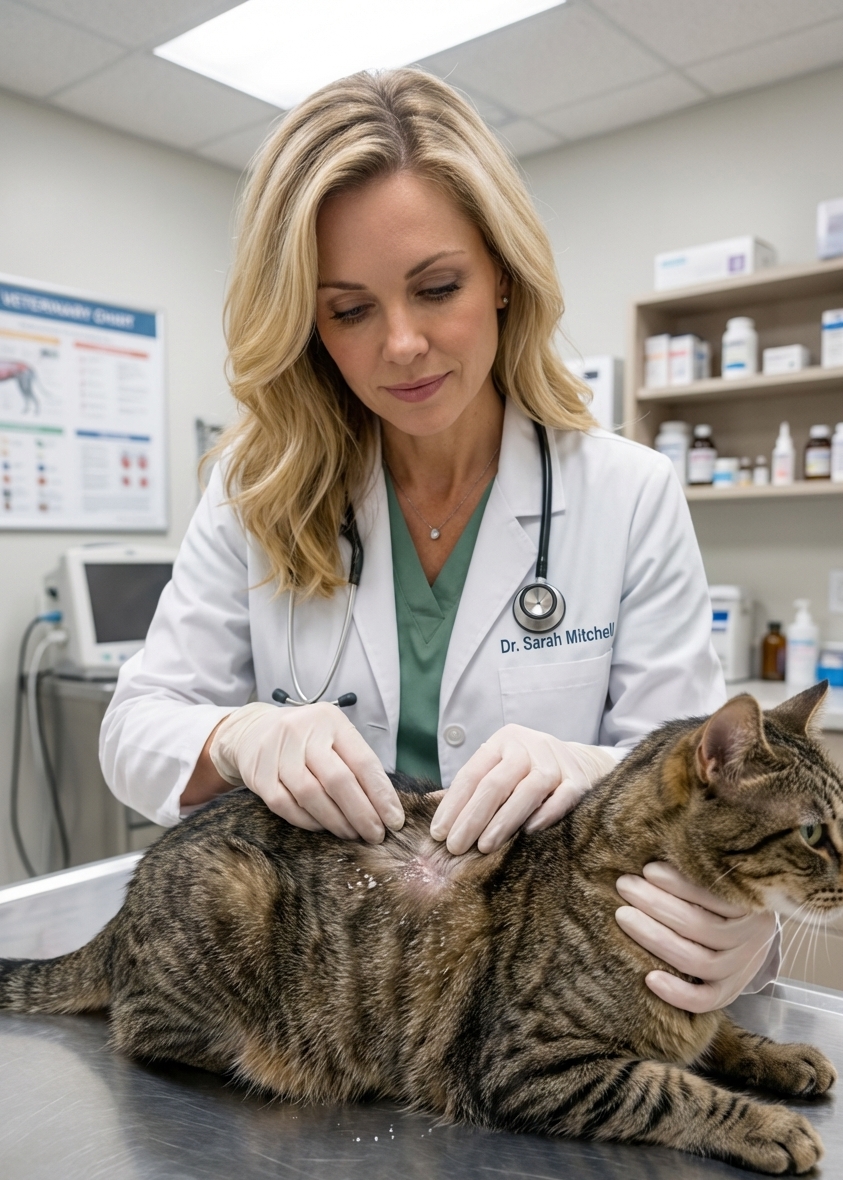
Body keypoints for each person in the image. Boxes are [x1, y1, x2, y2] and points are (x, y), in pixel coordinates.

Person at [100, 68, 777, 1014]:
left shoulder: (625, 492)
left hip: (532, 1002)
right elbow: (134, 733)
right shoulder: (254, 488)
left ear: (501, 274)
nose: (403, 344)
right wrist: (242, 734)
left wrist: (618, 795)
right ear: (307, 325)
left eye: (437, 286)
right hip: (327, 992)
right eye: (349, 309)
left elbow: (712, 783)